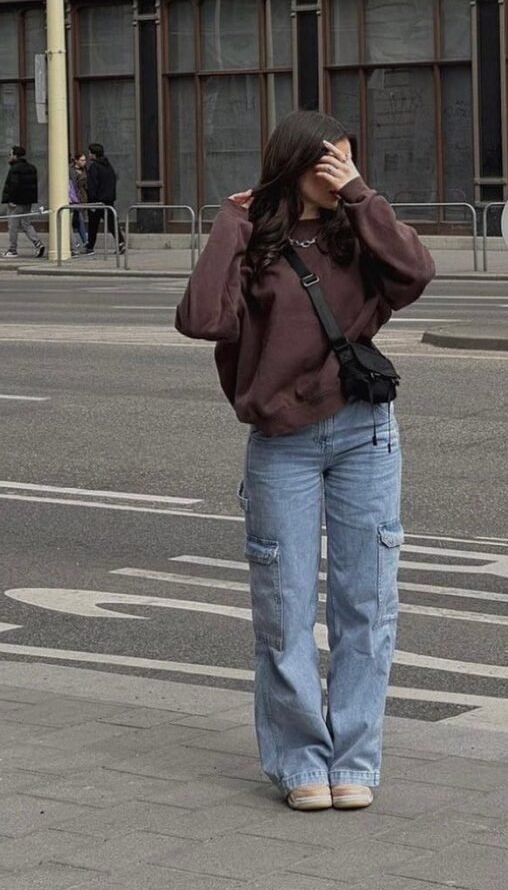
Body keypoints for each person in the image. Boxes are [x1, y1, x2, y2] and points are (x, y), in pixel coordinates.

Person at [175, 110, 434, 812]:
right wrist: (230, 228)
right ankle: (298, 762)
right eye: (327, 163)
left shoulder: (359, 233)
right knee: (284, 610)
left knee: (365, 604)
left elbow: (416, 272)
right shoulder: (254, 241)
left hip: (365, 435)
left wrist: (361, 194)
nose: (339, 173)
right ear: (292, 165)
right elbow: (203, 320)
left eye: (347, 161)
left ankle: (354, 760)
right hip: (281, 444)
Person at [0, 146, 45, 259]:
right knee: (26, 224)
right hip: (27, 201)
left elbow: (13, 185)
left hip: (16, 202)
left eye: (10, 155)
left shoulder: (15, 169)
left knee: (13, 226)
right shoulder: (31, 168)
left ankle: (12, 249)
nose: (9, 157)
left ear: (15, 155)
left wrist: (11, 199)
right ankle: (38, 243)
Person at [85, 143, 125, 256]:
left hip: (97, 201)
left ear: (93, 154)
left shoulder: (94, 167)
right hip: (109, 200)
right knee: (112, 223)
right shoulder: (108, 166)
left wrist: (91, 200)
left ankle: (90, 247)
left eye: (89, 153)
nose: (88, 155)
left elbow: (92, 185)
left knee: (93, 224)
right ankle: (121, 242)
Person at [69, 152, 88, 252]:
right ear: (76, 160)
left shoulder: (85, 170)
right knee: (73, 221)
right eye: (82, 160)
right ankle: (75, 242)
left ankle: (84, 241)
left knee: (80, 220)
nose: (84, 162)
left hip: (81, 198)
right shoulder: (70, 171)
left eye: (85, 160)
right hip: (73, 198)